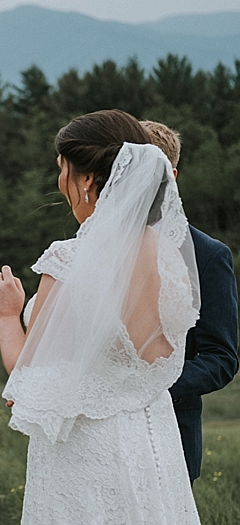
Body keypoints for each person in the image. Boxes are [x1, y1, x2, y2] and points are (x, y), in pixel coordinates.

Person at [0, 109, 202, 523]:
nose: (59, 182)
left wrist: (6, 317)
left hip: (87, 447)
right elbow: (155, 354)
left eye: (62, 170)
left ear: (86, 180)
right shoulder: (167, 253)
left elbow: (26, 376)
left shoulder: (69, 260)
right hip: (151, 436)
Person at [141, 119, 239, 483]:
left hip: (171, 433)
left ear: (173, 175)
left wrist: (149, 387)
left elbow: (221, 357)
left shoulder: (209, 255)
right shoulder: (91, 245)